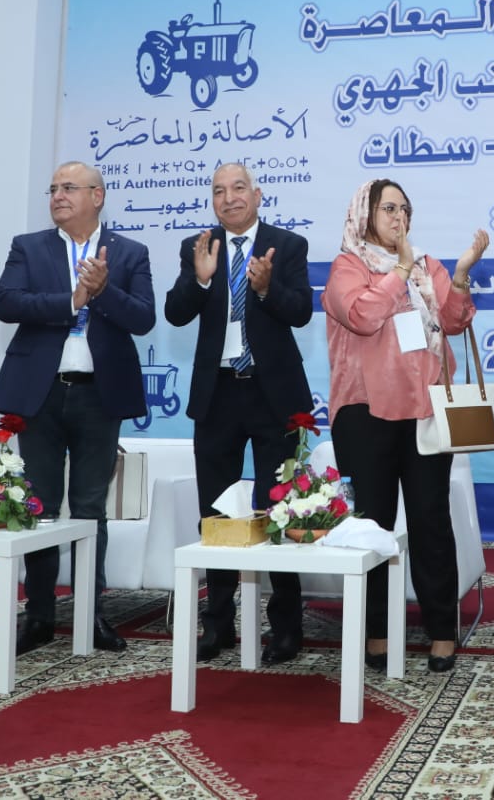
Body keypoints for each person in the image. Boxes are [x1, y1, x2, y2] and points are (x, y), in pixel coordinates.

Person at [322, 178, 488, 673]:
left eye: (404, 210)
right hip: (365, 415)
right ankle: (376, 629)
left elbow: (454, 321)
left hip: (424, 412)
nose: (399, 218)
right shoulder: (347, 267)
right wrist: (399, 270)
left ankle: (442, 630)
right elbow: (363, 314)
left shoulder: (427, 266)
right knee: (371, 525)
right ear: (364, 215)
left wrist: (460, 275)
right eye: (388, 208)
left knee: (431, 520)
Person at [0, 161, 155, 655]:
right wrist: (71, 300)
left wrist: (102, 293)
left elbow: (143, 318)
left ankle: (89, 613)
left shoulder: (130, 252)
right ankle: (39, 613)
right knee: (39, 506)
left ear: (97, 196)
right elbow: (7, 302)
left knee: (89, 508)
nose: (58, 196)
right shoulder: (29, 246)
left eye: (69, 188)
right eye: (53, 188)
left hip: (99, 395)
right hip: (39, 393)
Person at [165, 162, 314, 664]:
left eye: (237, 188)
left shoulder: (286, 245)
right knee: (216, 512)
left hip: (273, 395)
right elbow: (175, 313)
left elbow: (301, 311)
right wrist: (201, 280)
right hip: (218, 393)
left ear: (257, 193)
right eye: (218, 191)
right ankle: (218, 623)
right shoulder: (198, 246)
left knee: (280, 510)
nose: (228, 198)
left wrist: (268, 288)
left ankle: (287, 626)